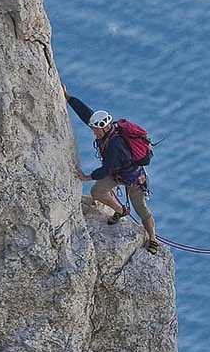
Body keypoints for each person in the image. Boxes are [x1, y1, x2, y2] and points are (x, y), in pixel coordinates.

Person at [62, 83, 158, 253]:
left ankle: (153, 239)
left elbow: (106, 169)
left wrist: (87, 177)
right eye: (94, 129)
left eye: (96, 130)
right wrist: (69, 97)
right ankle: (120, 211)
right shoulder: (105, 130)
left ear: (105, 128)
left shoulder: (115, 145)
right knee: (97, 192)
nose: (93, 132)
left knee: (141, 210)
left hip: (133, 178)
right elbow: (87, 115)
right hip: (117, 173)